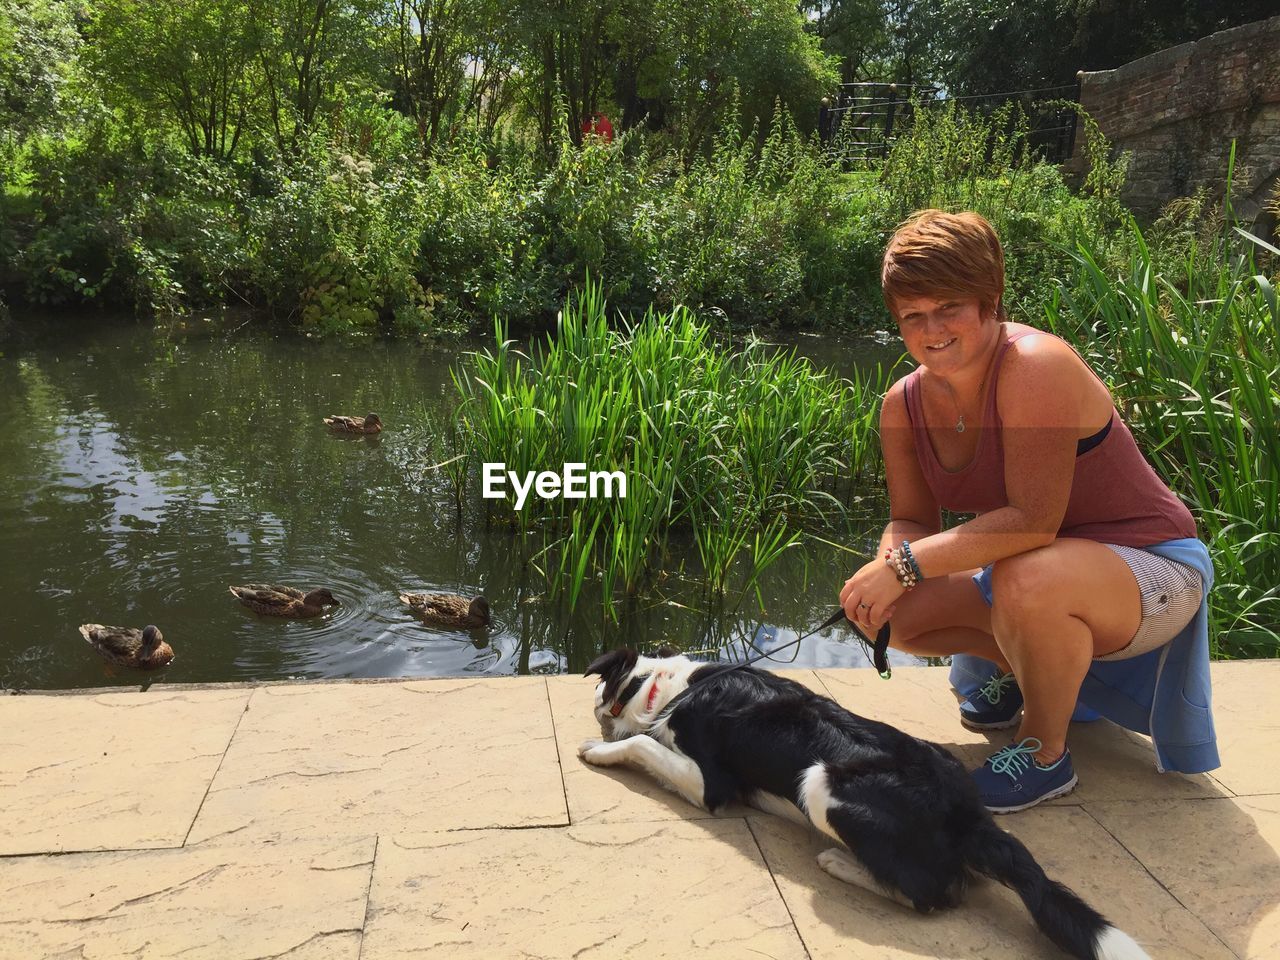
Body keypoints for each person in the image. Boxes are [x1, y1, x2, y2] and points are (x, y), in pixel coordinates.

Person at [839, 209, 1219, 813]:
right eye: (913, 316)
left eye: (950, 308)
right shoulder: (902, 404)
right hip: (1041, 569)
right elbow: (911, 518)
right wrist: (887, 568)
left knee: (1024, 576)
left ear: (990, 300)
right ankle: (1028, 673)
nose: (931, 329)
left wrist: (907, 565)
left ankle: (1043, 755)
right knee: (896, 613)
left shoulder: (1034, 364)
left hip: (1152, 568)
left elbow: (1033, 520)